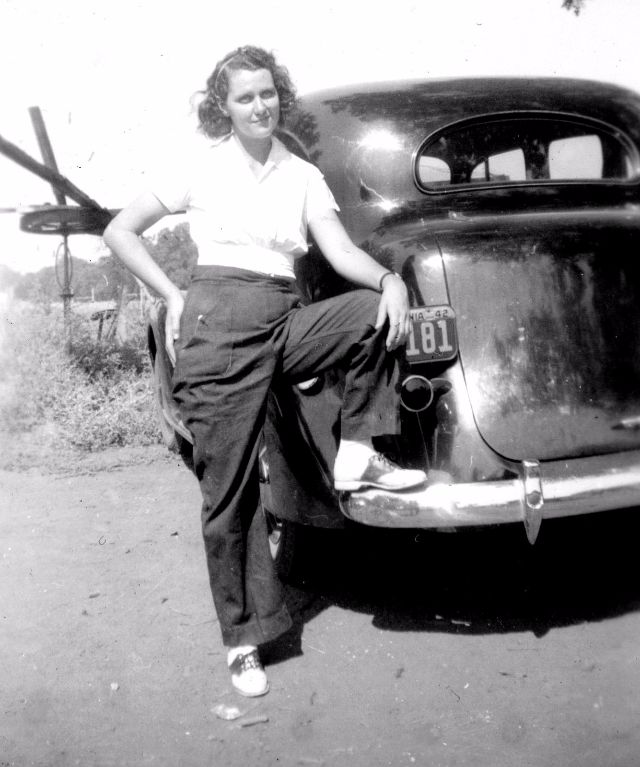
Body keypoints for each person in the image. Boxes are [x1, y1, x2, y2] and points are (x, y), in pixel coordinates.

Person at [103, 45, 426, 698]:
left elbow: (339, 250)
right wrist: (172, 295)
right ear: (224, 107)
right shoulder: (200, 164)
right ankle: (242, 639)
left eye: (268, 93)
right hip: (218, 323)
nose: (259, 106)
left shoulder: (301, 174)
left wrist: (389, 279)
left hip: (283, 314)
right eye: (245, 97)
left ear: (281, 95)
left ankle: (356, 450)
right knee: (229, 492)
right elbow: (120, 231)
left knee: (372, 313)